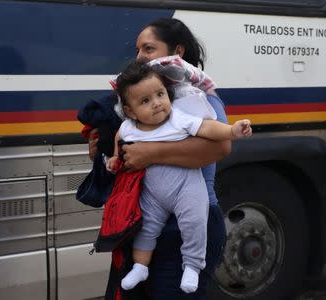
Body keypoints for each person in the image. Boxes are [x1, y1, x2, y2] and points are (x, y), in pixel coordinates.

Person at [87, 17, 233, 299]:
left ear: (177, 52)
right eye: (139, 49)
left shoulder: (200, 96)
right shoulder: (138, 102)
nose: (140, 56)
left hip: (187, 229)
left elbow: (220, 148)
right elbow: (127, 156)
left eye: (149, 48)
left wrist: (149, 153)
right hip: (146, 228)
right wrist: (107, 156)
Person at [106, 61, 251, 293]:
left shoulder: (178, 118)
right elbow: (119, 136)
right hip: (152, 194)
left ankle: (192, 266)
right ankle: (141, 266)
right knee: (146, 229)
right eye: (145, 101)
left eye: (160, 94)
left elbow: (208, 128)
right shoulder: (129, 126)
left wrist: (232, 130)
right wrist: (114, 157)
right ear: (130, 111)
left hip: (186, 188)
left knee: (193, 223)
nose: (156, 104)